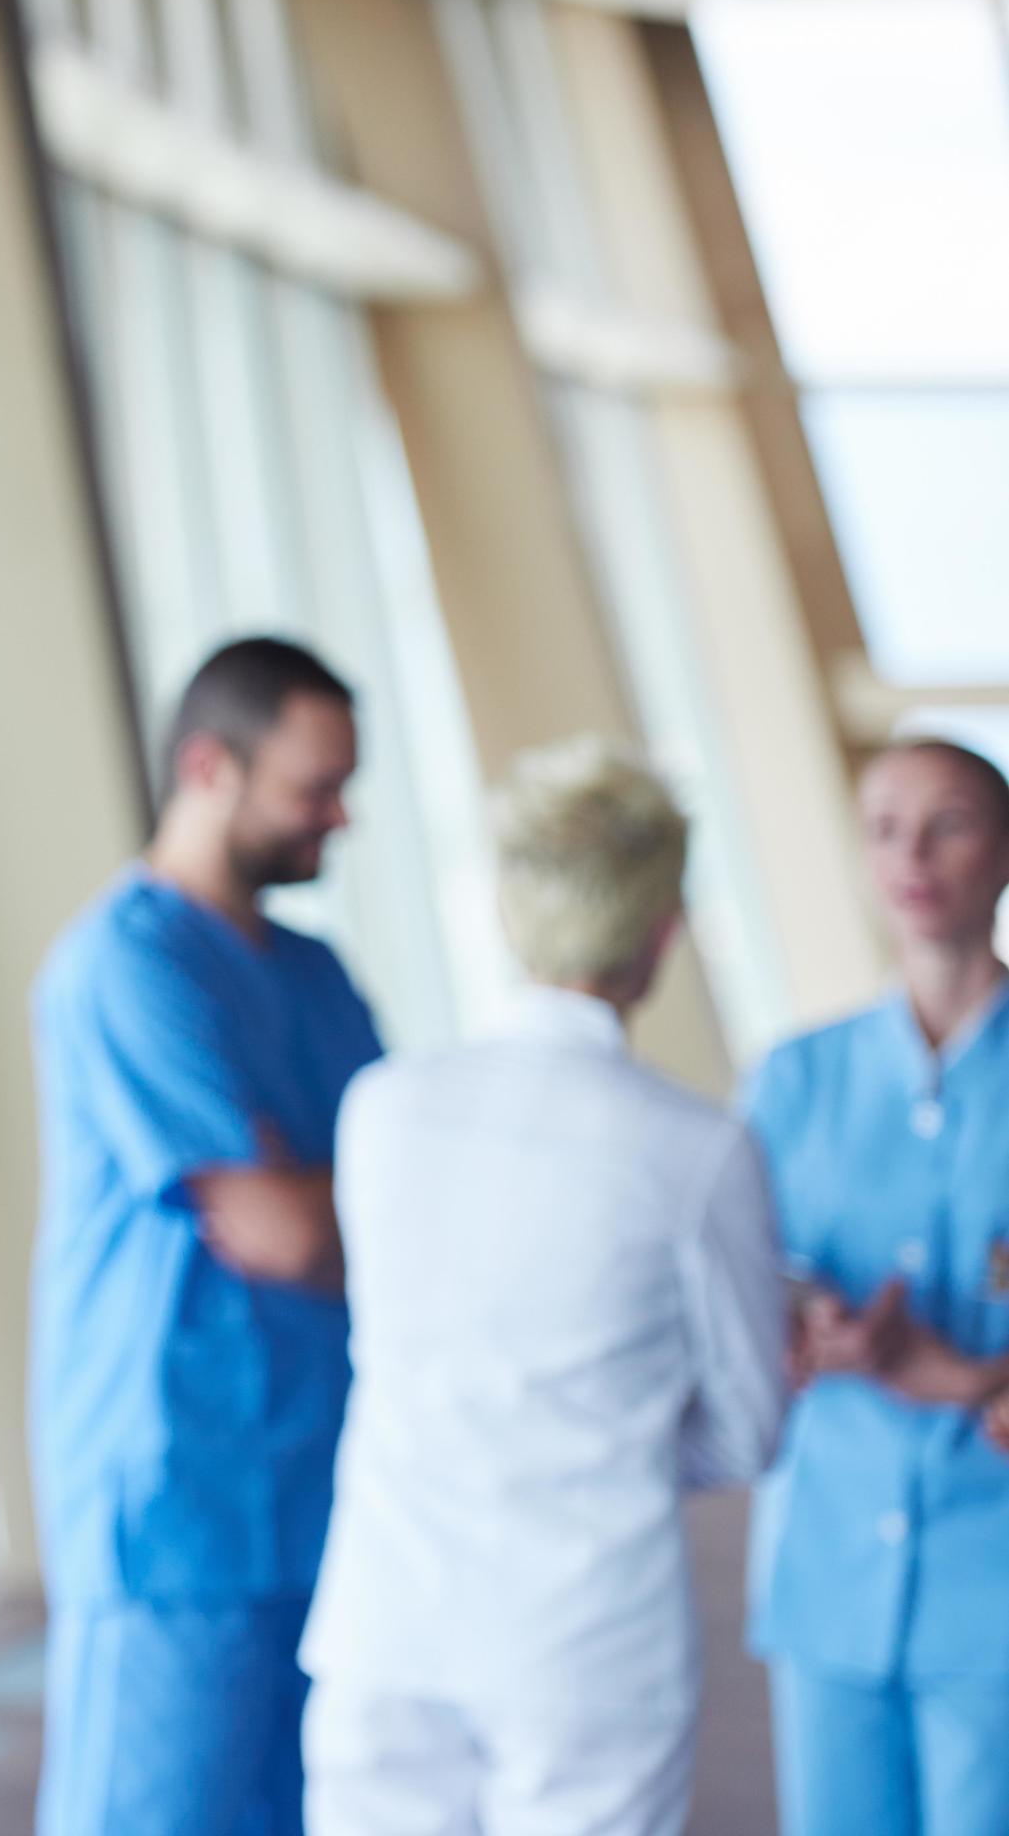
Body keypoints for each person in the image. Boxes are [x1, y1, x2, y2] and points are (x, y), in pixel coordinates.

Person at [299, 736, 787, 1836]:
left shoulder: (382, 1107)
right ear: (663, 932)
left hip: (390, 1625)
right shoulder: (696, 1148)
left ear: (508, 910)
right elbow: (751, 1431)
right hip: (586, 1639)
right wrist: (607, 1430)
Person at [30, 635, 383, 1836]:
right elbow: (283, 1229)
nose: (337, 818)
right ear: (207, 766)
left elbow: (402, 1200)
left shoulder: (320, 973)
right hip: (176, 1496)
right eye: (312, 788)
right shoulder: (128, 963)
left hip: (315, 1479)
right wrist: (324, 1192)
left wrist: (319, 1189)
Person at [745, 735, 1009, 1836]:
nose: (914, 855)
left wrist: (966, 1376)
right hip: (831, 1568)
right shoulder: (796, 1078)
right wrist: (807, 1323)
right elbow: (738, 1281)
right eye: (884, 828)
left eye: (947, 822)